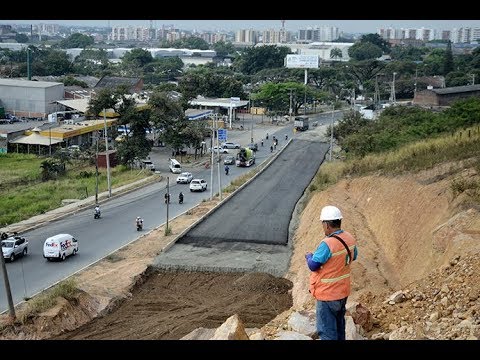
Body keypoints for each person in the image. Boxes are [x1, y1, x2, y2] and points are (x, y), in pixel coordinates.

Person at [305, 205, 358, 340]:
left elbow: (313, 265)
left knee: (327, 332)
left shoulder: (327, 244)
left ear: (327, 225)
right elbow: (354, 256)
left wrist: (309, 256)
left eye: (323, 224)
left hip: (327, 295)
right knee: (339, 328)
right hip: (342, 293)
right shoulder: (349, 238)